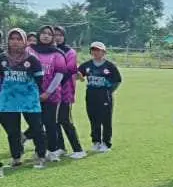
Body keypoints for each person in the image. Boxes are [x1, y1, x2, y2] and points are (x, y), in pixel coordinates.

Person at [0, 29, 48, 169]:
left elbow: (39, 80)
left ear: (25, 41)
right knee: (13, 131)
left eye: (19, 39)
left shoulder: (32, 59)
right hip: (8, 100)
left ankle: (41, 156)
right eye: (12, 38)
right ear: (8, 40)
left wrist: (37, 95)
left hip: (29, 100)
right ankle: (16, 157)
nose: (15, 42)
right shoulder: (2, 58)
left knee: (37, 128)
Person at [30, 25, 69, 162]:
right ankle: (39, 151)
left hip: (51, 96)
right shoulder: (30, 51)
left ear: (52, 37)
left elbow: (59, 75)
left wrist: (47, 92)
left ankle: (52, 151)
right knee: (36, 125)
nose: (45, 36)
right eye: (43, 33)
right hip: (32, 95)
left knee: (50, 123)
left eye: (49, 34)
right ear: (39, 35)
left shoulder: (57, 53)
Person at [77, 41, 121, 152]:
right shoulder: (87, 65)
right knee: (93, 119)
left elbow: (117, 80)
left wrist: (109, 91)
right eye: (93, 50)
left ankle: (106, 143)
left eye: (98, 50)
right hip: (91, 95)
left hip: (104, 96)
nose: (96, 52)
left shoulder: (109, 66)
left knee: (105, 120)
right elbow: (78, 75)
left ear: (103, 52)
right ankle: (96, 141)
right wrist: (79, 76)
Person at [53, 26, 85, 159]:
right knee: (54, 121)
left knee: (65, 120)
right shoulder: (50, 51)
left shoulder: (70, 52)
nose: (57, 37)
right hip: (51, 92)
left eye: (60, 35)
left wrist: (54, 82)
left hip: (65, 91)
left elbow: (69, 70)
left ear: (64, 36)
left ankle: (78, 150)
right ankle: (61, 147)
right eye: (55, 35)